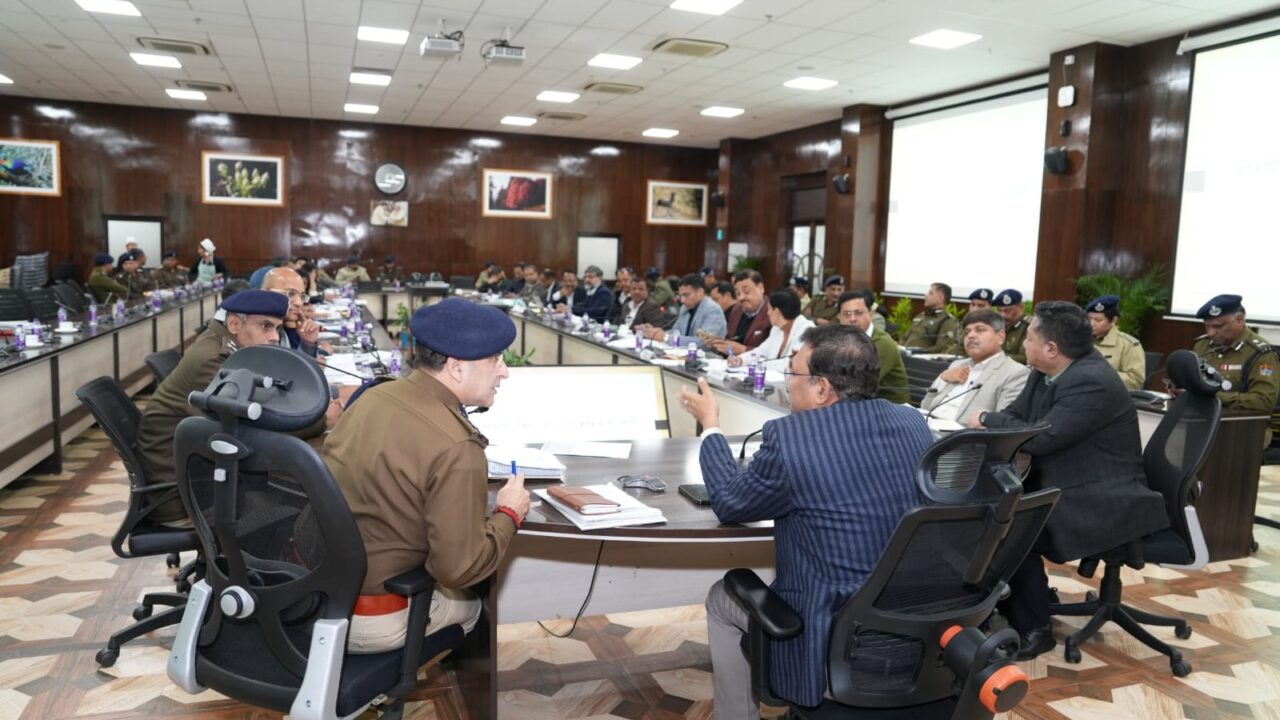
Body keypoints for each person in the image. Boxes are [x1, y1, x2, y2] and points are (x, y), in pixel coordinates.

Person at [679, 324, 934, 715]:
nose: (788, 384)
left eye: (792, 373)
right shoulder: (913, 423)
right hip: (916, 623)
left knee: (720, 597)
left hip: (828, 636)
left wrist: (711, 426)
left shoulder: (791, 437)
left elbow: (730, 503)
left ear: (821, 388)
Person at [322, 299, 529, 652]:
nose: (504, 372)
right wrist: (509, 513)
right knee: (474, 604)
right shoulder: (457, 446)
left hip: (321, 593)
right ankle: (413, 671)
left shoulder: (372, 397)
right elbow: (459, 569)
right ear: (456, 367)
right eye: (495, 359)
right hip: (373, 617)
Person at [972, 301, 1168, 659]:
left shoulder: (1091, 381)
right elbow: (1017, 415)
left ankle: (1035, 628)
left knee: (1011, 530)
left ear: (1051, 348)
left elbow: (1041, 437)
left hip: (1103, 498)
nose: (1023, 344)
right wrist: (1003, 421)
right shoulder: (1044, 370)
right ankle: (1013, 601)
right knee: (991, 513)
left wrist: (986, 418)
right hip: (1064, 482)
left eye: (1029, 338)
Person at [135, 291, 290, 525]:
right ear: (234, 324)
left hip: (196, 477)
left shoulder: (222, 344)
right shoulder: (215, 360)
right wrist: (321, 420)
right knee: (298, 506)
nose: (274, 337)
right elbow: (253, 425)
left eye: (277, 328)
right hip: (183, 498)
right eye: (265, 326)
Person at [1191, 294, 1280, 446]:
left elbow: (1263, 401)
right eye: (1207, 326)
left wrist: (1214, 396)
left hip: (1242, 433)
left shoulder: (1260, 353)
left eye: (1218, 326)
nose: (1211, 333)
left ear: (1239, 320)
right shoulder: (1202, 345)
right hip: (1201, 424)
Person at [920, 309, 1029, 423]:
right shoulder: (957, 365)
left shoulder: (1015, 373)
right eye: (967, 332)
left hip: (959, 432)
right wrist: (942, 380)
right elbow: (925, 407)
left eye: (980, 330)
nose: (970, 336)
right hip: (926, 424)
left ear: (1000, 337)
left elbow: (1002, 424)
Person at [837, 289, 909, 404]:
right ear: (839, 317)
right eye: (846, 314)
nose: (852, 319)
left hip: (891, 408)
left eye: (858, 313)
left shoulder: (882, 343)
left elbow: (858, 385)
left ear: (870, 314)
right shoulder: (840, 339)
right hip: (862, 404)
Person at [638, 274, 727, 349]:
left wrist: (665, 337)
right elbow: (676, 332)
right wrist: (655, 333)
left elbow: (703, 343)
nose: (682, 300)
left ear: (700, 292)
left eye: (686, 295)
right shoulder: (685, 308)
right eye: (681, 296)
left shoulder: (713, 310)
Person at [729, 290, 812, 369]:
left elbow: (791, 363)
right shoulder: (777, 328)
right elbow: (761, 351)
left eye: (769, 309)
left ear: (776, 311)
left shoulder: (807, 330)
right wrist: (741, 360)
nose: (767, 313)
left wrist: (760, 364)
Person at [1086, 294, 1146, 390]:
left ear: (1113, 320)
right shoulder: (1080, 339)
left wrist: (1101, 374)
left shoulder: (1128, 345)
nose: (1091, 324)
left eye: (1098, 320)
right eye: (1089, 319)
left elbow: (1135, 381)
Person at [262, 267, 321, 357]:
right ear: (264, 293)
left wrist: (307, 344)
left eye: (301, 296)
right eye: (290, 294)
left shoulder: (281, 329)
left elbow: (293, 365)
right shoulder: (256, 328)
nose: (299, 303)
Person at [709, 270, 772, 356]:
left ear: (761, 288)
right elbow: (730, 341)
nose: (741, 297)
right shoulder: (736, 310)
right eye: (738, 293)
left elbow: (774, 353)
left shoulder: (773, 312)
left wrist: (743, 350)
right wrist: (718, 344)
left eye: (746, 292)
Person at [899, 282, 958, 353]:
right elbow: (905, 337)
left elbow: (942, 347)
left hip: (922, 357)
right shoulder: (921, 315)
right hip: (905, 354)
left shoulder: (947, 320)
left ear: (940, 298)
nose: (925, 295)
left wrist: (917, 352)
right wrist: (901, 348)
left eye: (930, 293)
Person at [993, 289, 1029, 364]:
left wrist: (992, 356)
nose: (1003, 315)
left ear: (1021, 307)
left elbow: (1025, 358)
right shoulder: (997, 325)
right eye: (999, 310)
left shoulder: (1030, 326)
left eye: (1008, 311)